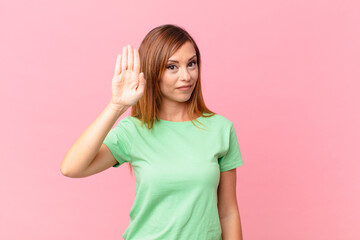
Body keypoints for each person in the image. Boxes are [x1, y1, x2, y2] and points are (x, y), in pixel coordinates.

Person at [61, 24, 244, 240]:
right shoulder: (133, 131)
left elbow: (228, 212)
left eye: (191, 64)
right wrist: (116, 106)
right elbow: (71, 168)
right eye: (172, 67)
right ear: (152, 71)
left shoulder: (221, 129)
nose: (186, 76)